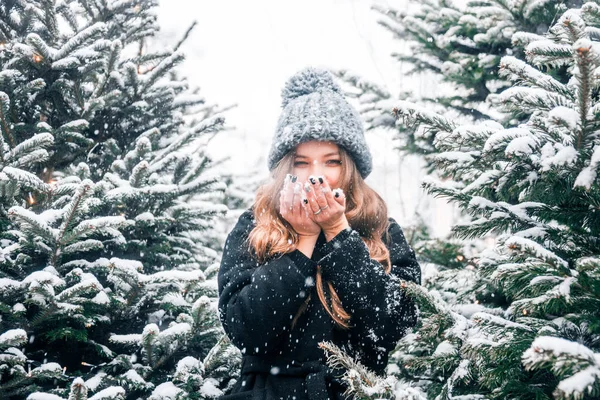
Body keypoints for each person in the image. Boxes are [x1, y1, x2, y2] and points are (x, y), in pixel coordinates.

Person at [217, 67, 421, 400]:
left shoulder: (381, 229)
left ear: (349, 166)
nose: (316, 176)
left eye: (331, 162)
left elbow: (393, 324)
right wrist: (302, 241)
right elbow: (245, 330)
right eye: (301, 162)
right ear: (286, 166)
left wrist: (338, 233)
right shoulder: (254, 227)